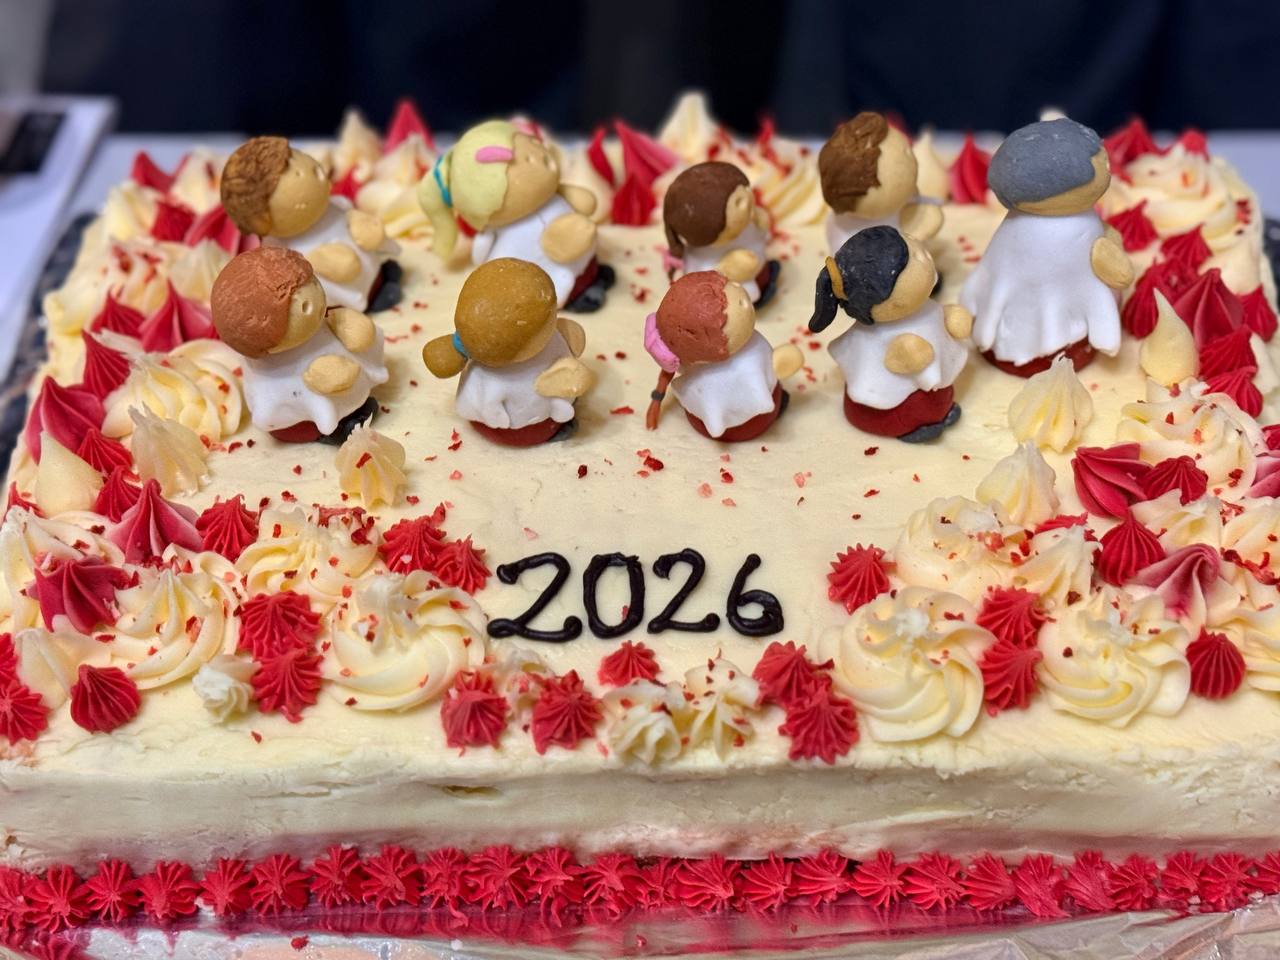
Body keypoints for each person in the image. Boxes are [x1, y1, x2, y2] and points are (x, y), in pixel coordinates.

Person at [959, 117, 1134, 376]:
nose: (1107, 171)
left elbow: (1101, 264)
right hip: (1027, 330)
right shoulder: (1023, 231)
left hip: (1072, 332)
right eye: (1101, 164)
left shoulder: (1066, 222)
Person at [417, 118, 613, 311]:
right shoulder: (502, 232)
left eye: (532, 145)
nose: (540, 156)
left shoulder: (552, 193)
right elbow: (485, 255)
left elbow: (586, 202)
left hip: (582, 256)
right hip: (546, 279)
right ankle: (580, 293)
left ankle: (593, 276)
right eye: (525, 159)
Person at [810, 225, 971, 441]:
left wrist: (951, 317)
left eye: (918, 253)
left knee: (935, 395)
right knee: (912, 405)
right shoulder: (872, 336)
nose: (925, 259)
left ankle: (940, 413)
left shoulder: (925, 306)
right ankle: (912, 426)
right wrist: (900, 358)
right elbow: (881, 362)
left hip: (933, 384)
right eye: (913, 262)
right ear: (883, 302)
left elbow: (937, 316)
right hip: (892, 401)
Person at [421, 258, 594, 446]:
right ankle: (555, 424)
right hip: (522, 428)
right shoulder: (488, 377)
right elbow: (487, 407)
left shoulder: (548, 335)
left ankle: (561, 412)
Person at [645, 271, 803, 441]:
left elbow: (667, 372)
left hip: (710, 420)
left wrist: (656, 400)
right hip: (748, 424)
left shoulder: (687, 358)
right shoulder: (728, 365)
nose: (743, 300)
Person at [662, 160, 779, 306]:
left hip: (763, 275)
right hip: (735, 302)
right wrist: (727, 269)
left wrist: (761, 225)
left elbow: (763, 235)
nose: (745, 202)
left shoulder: (748, 221)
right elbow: (701, 278)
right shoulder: (699, 256)